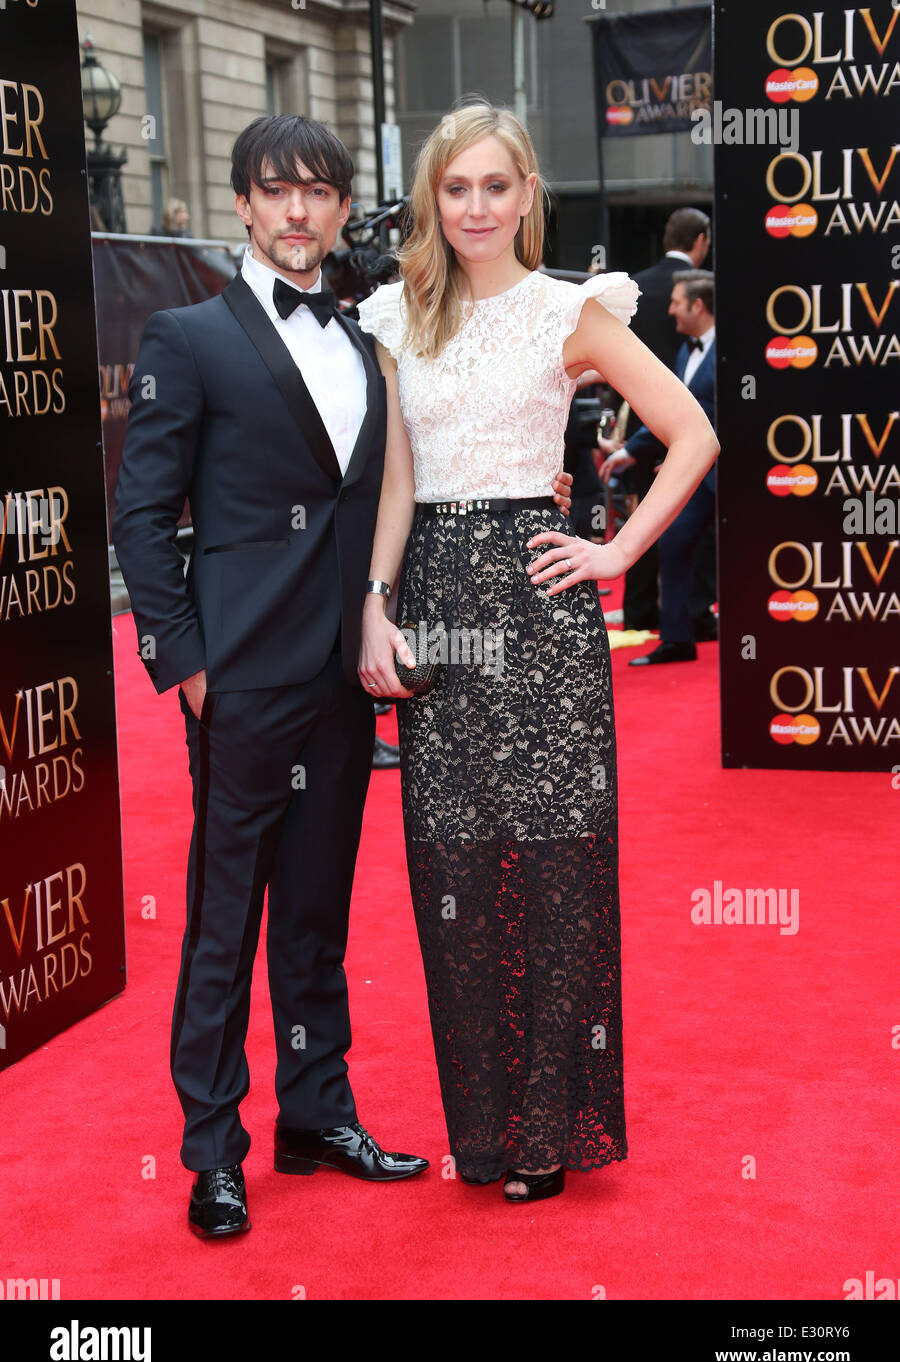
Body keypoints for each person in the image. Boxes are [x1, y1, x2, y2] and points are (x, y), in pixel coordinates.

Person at [112, 114, 572, 1238]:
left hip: (344, 679)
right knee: (225, 921)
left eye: (319, 191)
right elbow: (138, 513)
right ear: (244, 206)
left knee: (316, 914)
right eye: (278, 192)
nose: (301, 212)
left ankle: (316, 1112)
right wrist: (189, 666)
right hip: (244, 677)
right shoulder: (189, 337)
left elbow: (404, 485)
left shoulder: (371, 333)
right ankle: (212, 1151)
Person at [356, 102, 719, 1203]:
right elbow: (399, 483)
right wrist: (376, 600)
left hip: (540, 597)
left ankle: (550, 1126)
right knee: (453, 862)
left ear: (527, 197)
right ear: (434, 197)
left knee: (559, 864)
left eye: (495, 187)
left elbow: (694, 431)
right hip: (436, 601)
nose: (475, 207)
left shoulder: (577, 309)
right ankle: (483, 1125)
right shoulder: (395, 313)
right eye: (455, 188)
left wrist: (616, 557)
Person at [599, 271, 717, 665]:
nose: (670, 309)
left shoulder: (728, 352)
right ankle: (678, 638)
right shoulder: (686, 352)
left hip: (730, 476)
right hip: (699, 478)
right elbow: (674, 416)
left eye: (677, 302)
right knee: (673, 542)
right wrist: (633, 449)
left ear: (697, 306)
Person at [616, 208, 711, 631]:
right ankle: (693, 612)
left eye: (679, 306)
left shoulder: (633, 287)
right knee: (677, 529)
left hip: (644, 422)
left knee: (648, 517)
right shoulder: (700, 292)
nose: (673, 312)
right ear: (701, 240)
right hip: (669, 432)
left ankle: (645, 612)